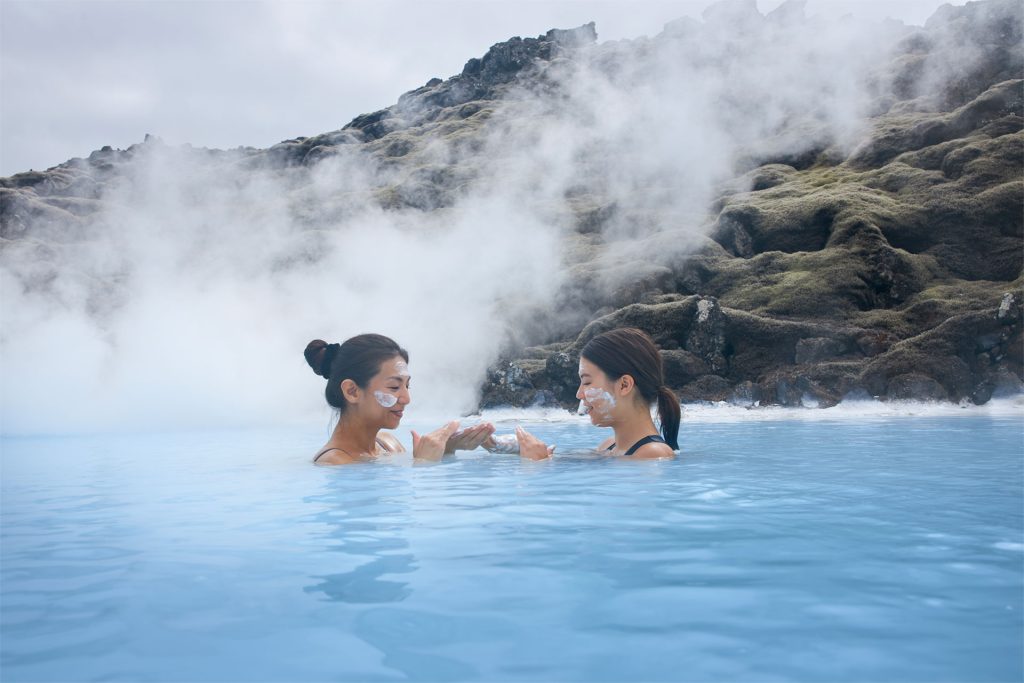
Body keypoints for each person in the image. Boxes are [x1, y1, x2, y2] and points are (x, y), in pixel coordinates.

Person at [486, 327, 680, 460]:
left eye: (587, 382)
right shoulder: (609, 446)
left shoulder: (653, 454)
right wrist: (516, 447)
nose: (579, 394)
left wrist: (536, 465)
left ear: (624, 385)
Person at [304, 334, 494, 465]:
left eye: (407, 386)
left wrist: (447, 450)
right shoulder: (333, 462)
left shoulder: (387, 444)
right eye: (394, 387)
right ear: (352, 391)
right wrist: (424, 464)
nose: (406, 398)